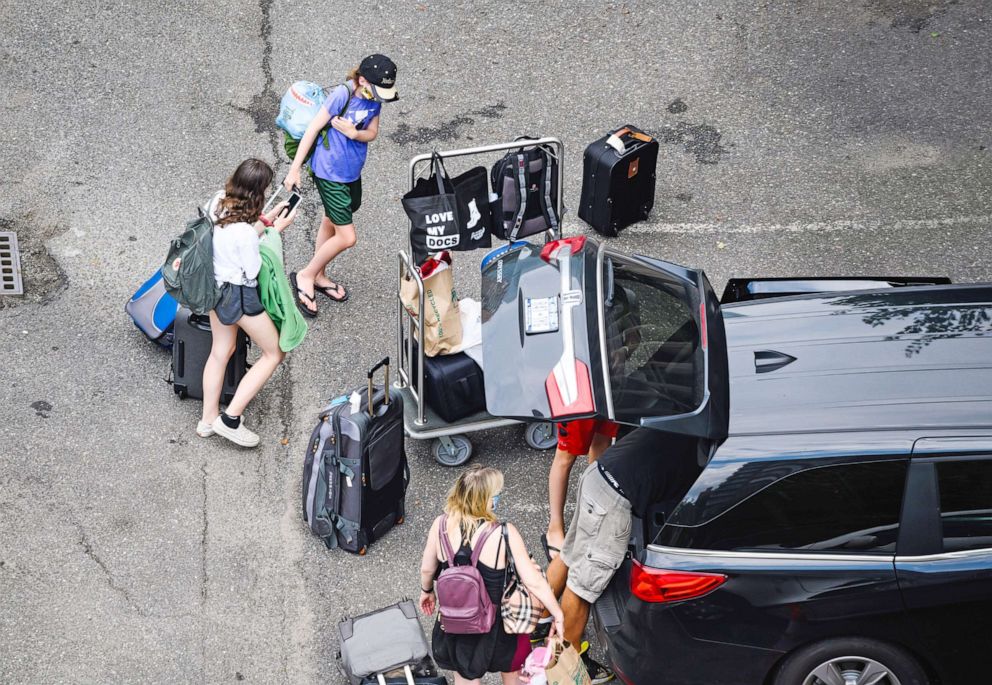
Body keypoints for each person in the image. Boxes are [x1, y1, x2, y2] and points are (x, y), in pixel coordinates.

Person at [545, 428, 702, 684]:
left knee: (572, 553)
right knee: (583, 587)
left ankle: (538, 621)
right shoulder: (707, 452)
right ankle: (564, 673)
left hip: (598, 475)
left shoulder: (690, 421)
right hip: (615, 498)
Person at [419, 466, 565, 685]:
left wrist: (427, 591)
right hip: (501, 625)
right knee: (514, 673)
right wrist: (557, 614)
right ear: (484, 499)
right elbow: (533, 581)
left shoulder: (439, 527)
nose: (498, 499)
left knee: (466, 676)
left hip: (459, 621)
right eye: (495, 495)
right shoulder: (503, 533)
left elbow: (427, 569)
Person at [284, 53, 399, 316]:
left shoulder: (375, 98)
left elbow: (372, 132)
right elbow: (313, 129)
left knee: (331, 220)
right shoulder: (342, 95)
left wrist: (354, 133)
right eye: (376, 90)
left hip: (351, 173)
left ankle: (320, 274)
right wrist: (294, 170)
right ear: (361, 80)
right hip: (329, 173)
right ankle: (306, 275)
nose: (380, 97)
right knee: (347, 237)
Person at [197, 158, 298, 447]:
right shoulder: (244, 233)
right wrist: (275, 231)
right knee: (274, 353)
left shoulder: (217, 201)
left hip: (214, 290)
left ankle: (207, 419)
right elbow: (252, 270)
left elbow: (231, 237)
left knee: (221, 350)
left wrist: (265, 222)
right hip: (239, 297)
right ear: (258, 193)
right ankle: (230, 419)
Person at [543, 419, 618, 560]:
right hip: (579, 398)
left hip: (610, 396)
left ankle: (592, 515)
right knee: (566, 454)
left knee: (602, 441)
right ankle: (554, 528)